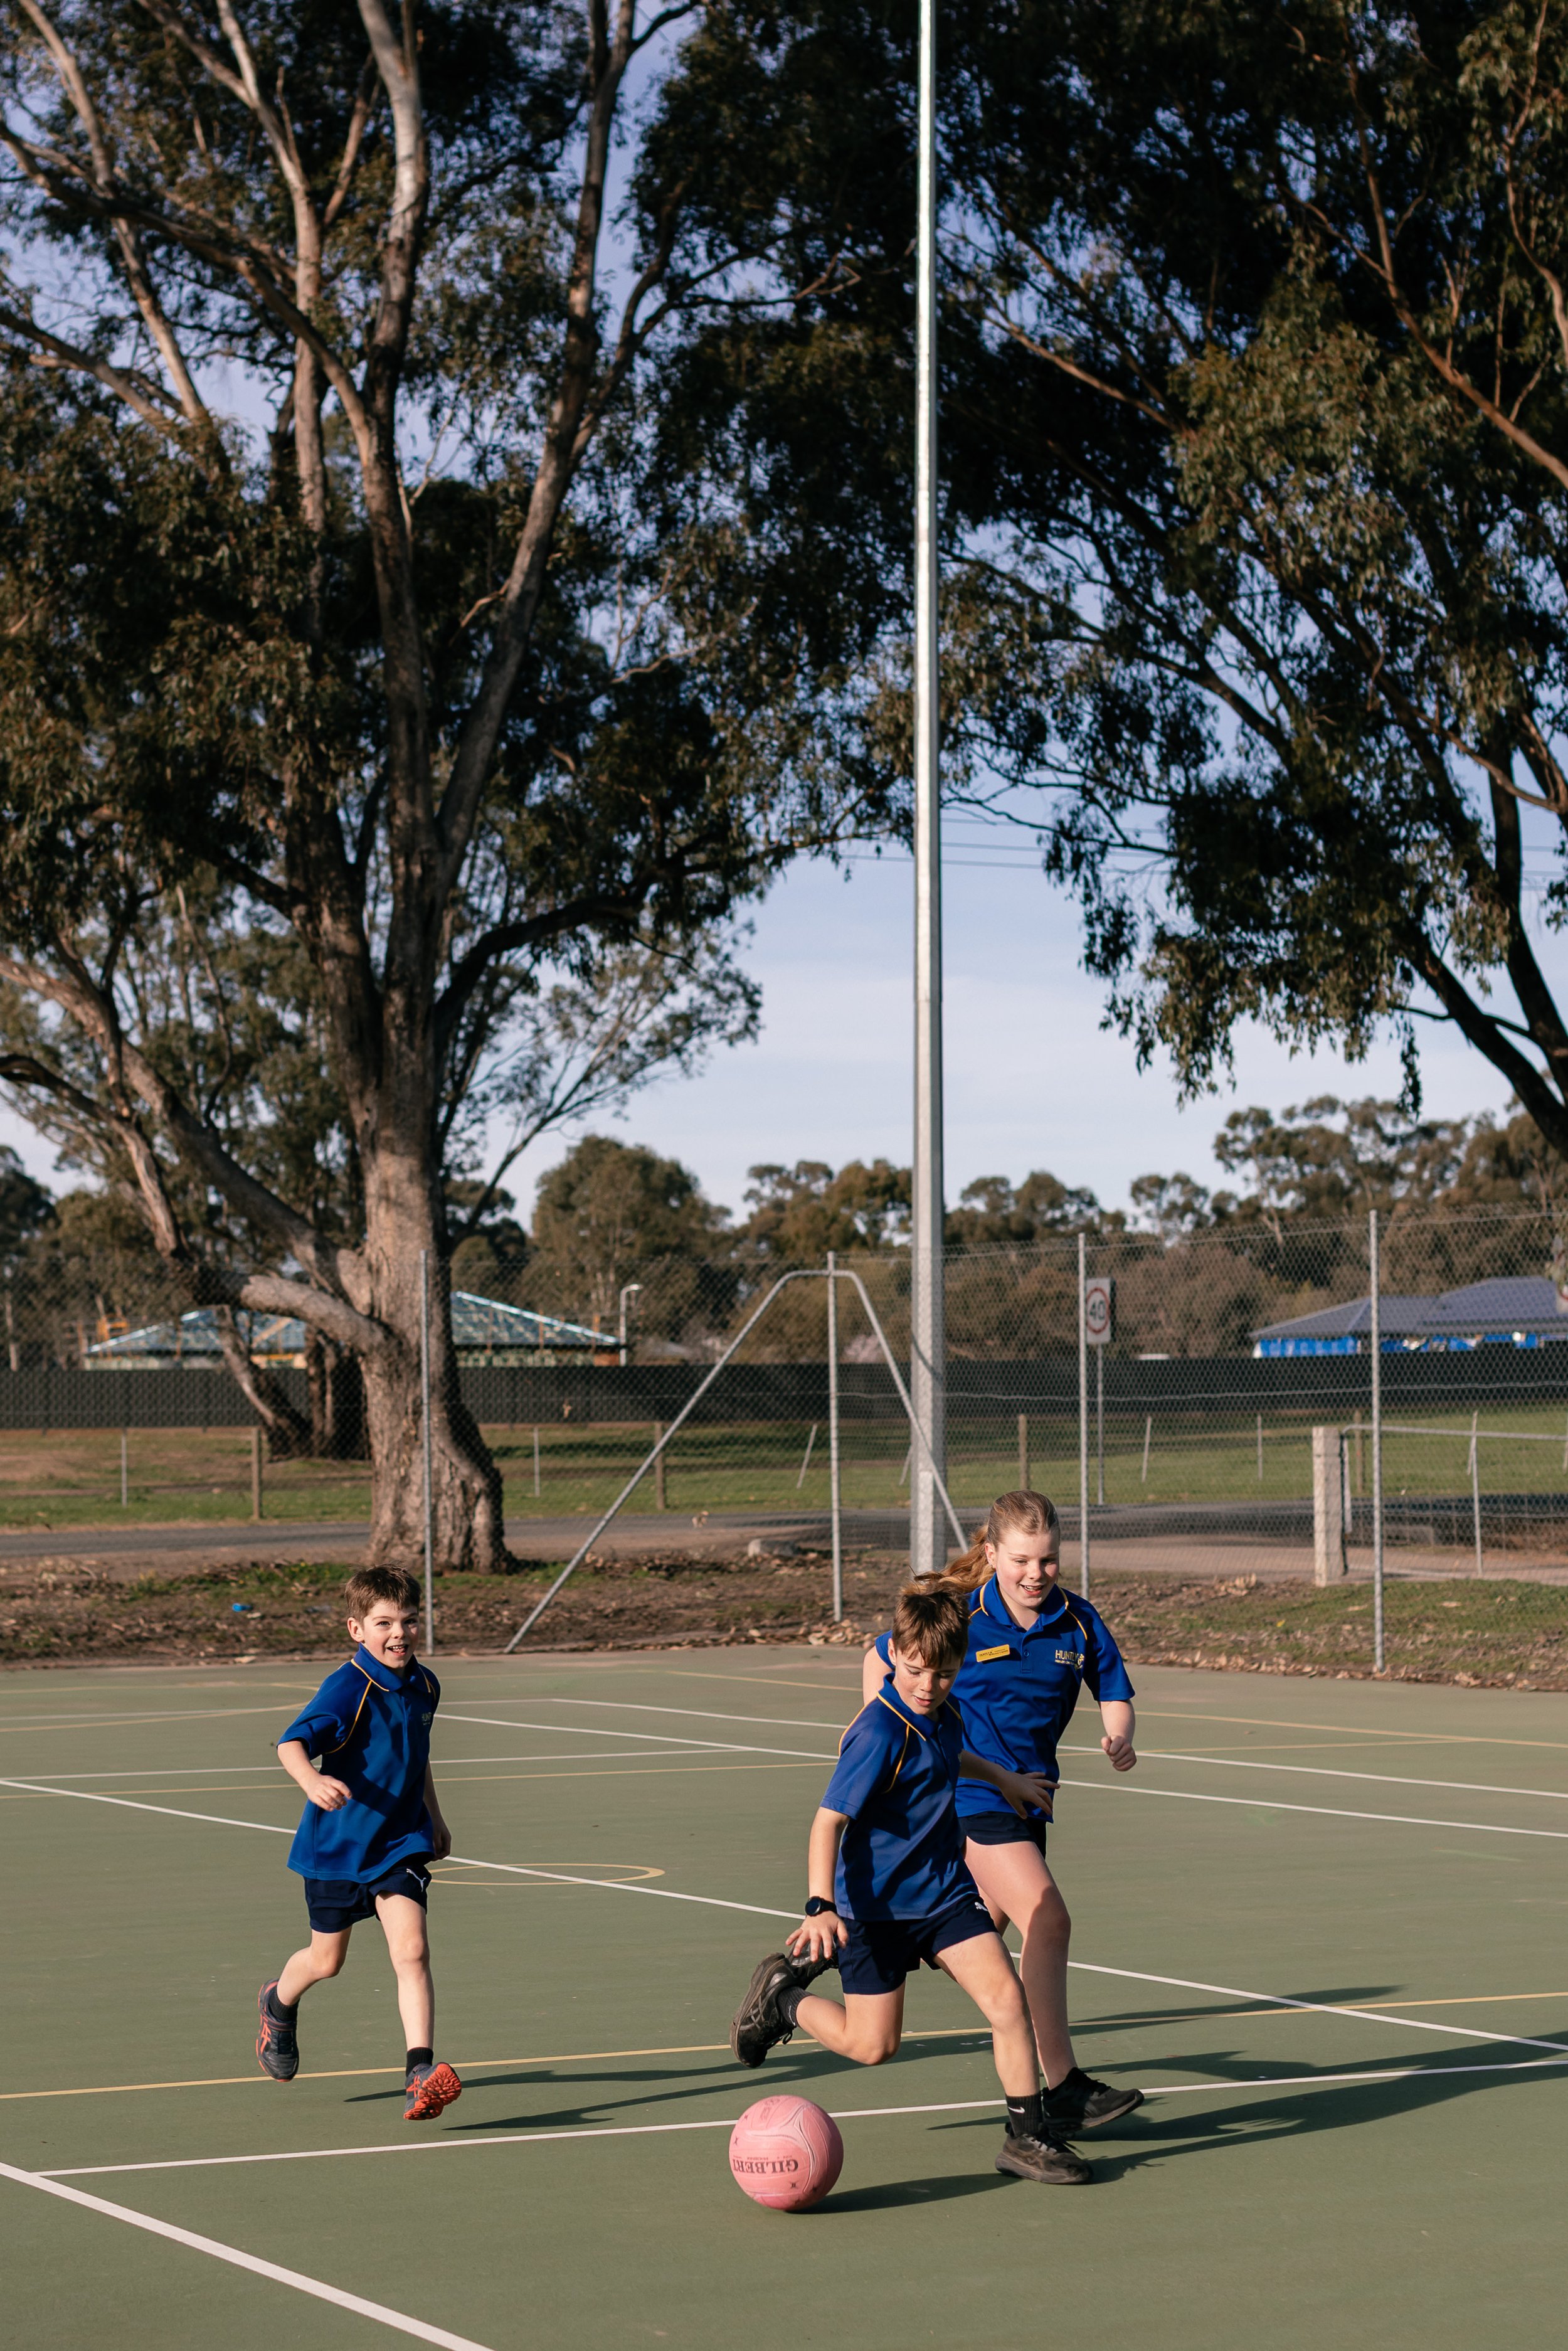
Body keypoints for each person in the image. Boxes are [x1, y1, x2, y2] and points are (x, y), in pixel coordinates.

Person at [730, 1581, 1093, 2185]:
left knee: (1008, 2002)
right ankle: (783, 1999)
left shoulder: (944, 1713)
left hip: (944, 1896)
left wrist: (1006, 1779)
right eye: (918, 1670)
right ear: (895, 1651)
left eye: (946, 1674)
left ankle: (1028, 2139)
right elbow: (828, 1825)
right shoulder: (878, 1733)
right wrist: (820, 1906)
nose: (929, 1686)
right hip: (875, 1912)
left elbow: (952, 1754)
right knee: (874, 2046)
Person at [862, 1489, 1143, 2135]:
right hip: (967, 1798)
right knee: (1050, 1917)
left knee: (967, 1934)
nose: (1035, 1574)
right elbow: (881, 1658)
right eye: (1021, 1560)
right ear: (991, 1554)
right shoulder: (963, 1613)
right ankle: (1063, 2085)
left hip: (1028, 1808)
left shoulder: (1076, 1620)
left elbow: (1114, 1691)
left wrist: (1119, 1735)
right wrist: (892, 1739)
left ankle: (800, 1974)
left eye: (1048, 1560)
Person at [255, 1565, 462, 2123]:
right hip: (339, 1850)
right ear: (356, 1629)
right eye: (384, 1622)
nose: (399, 1633)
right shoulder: (349, 1687)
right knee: (327, 1961)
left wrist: (435, 1817)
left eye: (409, 1621)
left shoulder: (425, 1685)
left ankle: (420, 2071)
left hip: (400, 1843)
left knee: (412, 1951)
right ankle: (278, 2003)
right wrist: (312, 1781)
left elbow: (416, 1759)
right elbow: (291, 1743)